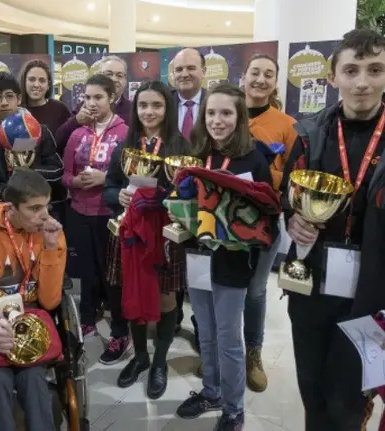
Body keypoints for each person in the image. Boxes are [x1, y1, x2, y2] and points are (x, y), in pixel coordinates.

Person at [282, 29, 385, 430]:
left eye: (374, 70)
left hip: (375, 302)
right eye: (351, 70)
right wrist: (292, 217)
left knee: (347, 403)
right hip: (311, 292)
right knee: (312, 393)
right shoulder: (308, 134)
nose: (362, 82)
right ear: (332, 76)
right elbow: (288, 194)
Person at [174, 83, 275, 430]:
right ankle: (211, 391)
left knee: (230, 339)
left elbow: (267, 217)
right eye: (211, 113)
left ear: (240, 116)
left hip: (233, 262)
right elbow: (186, 201)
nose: (217, 120)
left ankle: (233, 409)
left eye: (226, 113)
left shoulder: (254, 159)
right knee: (206, 332)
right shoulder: (197, 152)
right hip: (198, 256)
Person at [104, 80, 190, 397]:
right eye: (143, 105)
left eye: (156, 105)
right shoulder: (124, 147)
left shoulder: (181, 147)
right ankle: (140, 357)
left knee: (166, 299)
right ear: (135, 108)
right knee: (133, 295)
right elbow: (109, 187)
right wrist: (120, 198)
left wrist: (162, 199)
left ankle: (160, 362)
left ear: (167, 109)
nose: (149, 112)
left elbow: (189, 192)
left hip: (165, 233)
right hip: (129, 230)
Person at [0, 169, 66, 431]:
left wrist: (52, 248)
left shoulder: (51, 232)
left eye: (46, 206)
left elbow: (50, 301)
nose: (44, 216)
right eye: (34, 209)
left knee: (33, 377)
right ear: (11, 208)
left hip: (32, 315)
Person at [237, 53, 299, 393]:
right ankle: (225, 349)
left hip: (264, 219)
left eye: (269, 74)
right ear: (243, 76)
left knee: (255, 291)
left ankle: (252, 353)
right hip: (222, 219)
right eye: (255, 72)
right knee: (225, 288)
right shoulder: (223, 113)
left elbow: (293, 178)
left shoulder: (286, 125)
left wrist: (263, 171)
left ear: (276, 82)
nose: (261, 79)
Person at [62, 74, 128, 337]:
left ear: (112, 98)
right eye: (87, 97)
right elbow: (65, 174)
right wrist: (76, 181)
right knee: (87, 271)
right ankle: (87, 316)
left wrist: (106, 179)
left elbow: (132, 178)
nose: (91, 103)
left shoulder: (125, 132)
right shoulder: (77, 133)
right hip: (79, 211)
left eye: (98, 97)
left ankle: (119, 326)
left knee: (111, 273)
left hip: (110, 214)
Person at [0, 71, 63, 204]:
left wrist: (28, 174)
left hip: (35, 207)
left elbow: (57, 171)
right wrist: (5, 192)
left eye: (9, 96)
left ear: (19, 99)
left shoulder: (40, 131)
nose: (4, 102)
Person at [170, 47, 208, 333]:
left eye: (191, 68)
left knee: (201, 265)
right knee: (173, 260)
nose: (184, 73)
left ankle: (201, 324)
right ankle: (172, 322)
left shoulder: (216, 103)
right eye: (179, 69)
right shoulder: (163, 103)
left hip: (207, 198)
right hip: (170, 198)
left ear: (204, 72)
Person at [20, 60, 72, 226]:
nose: (37, 85)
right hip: (23, 193)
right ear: (24, 81)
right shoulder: (16, 111)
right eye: (32, 79)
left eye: (42, 80)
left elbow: (65, 147)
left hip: (53, 193)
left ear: (49, 84)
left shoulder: (60, 109)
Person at [55, 56, 132, 154]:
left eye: (119, 75)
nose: (113, 79)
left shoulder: (134, 109)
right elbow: (58, 142)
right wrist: (76, 121)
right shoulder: (83, 107)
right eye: (109, 74)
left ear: (125, 80)